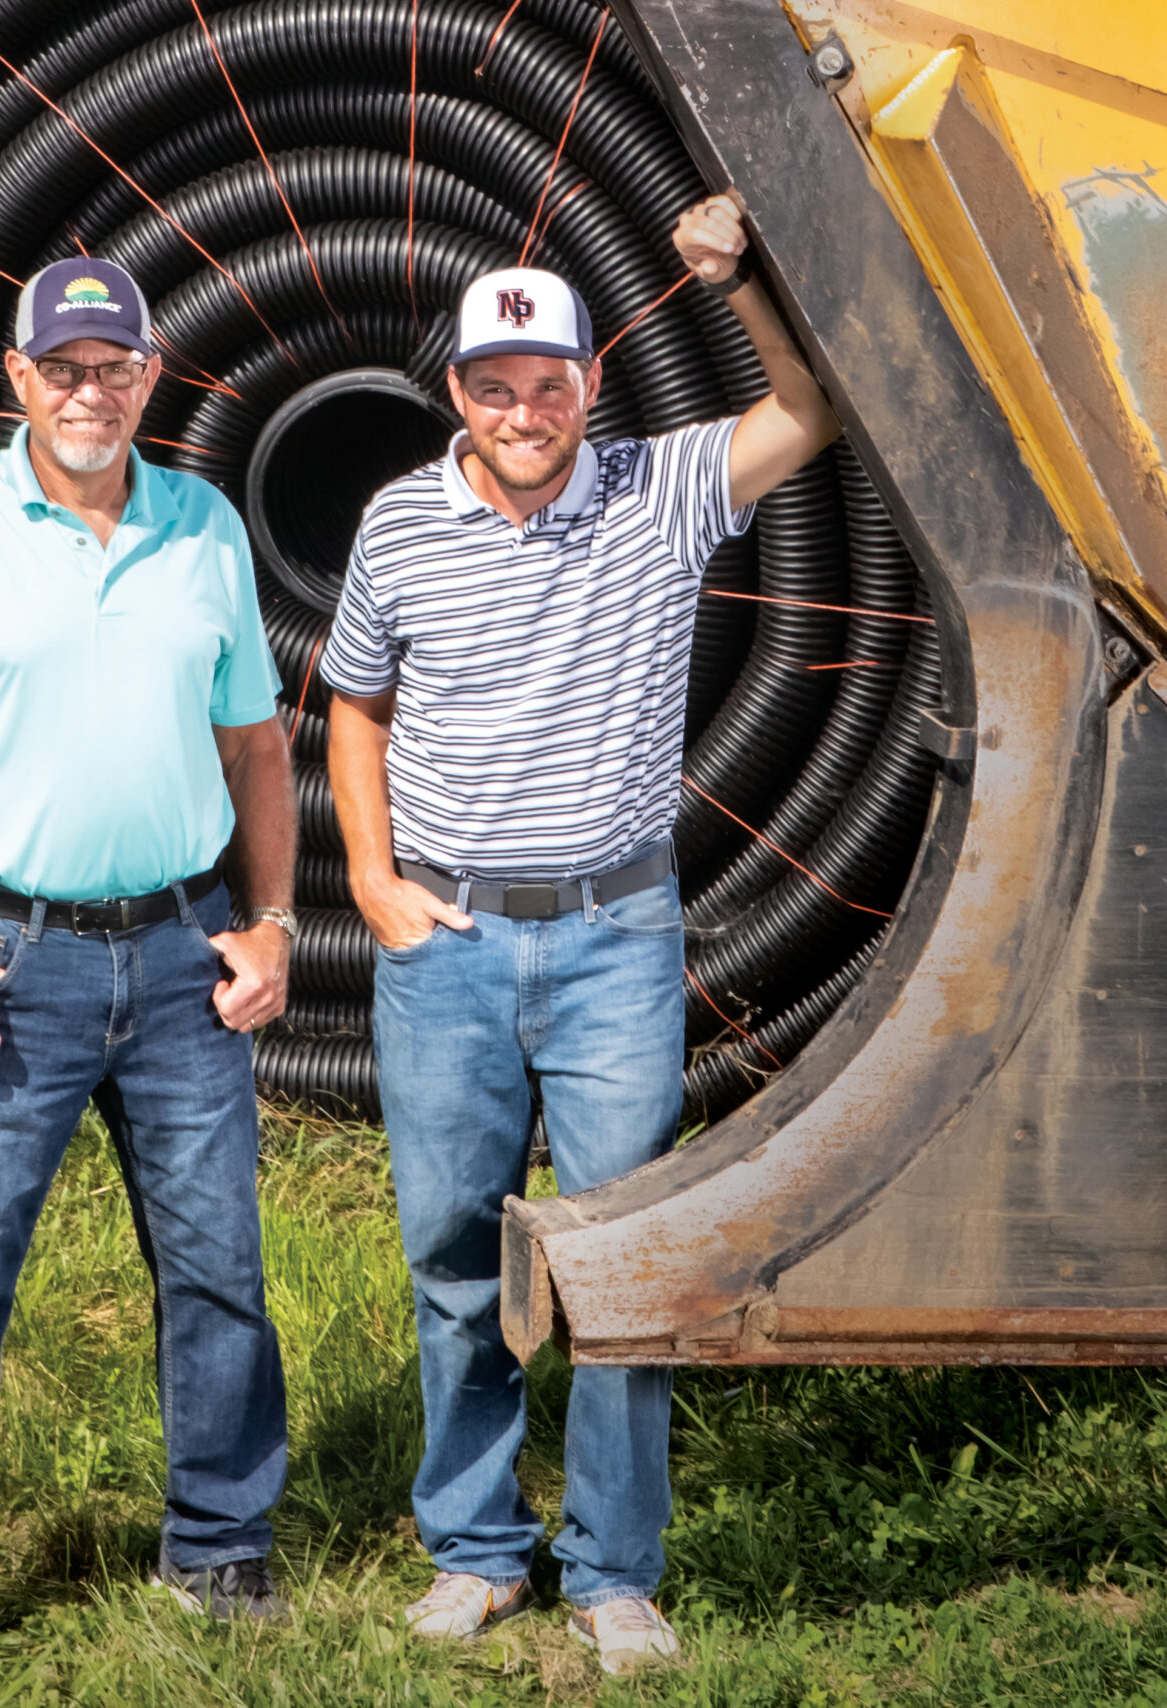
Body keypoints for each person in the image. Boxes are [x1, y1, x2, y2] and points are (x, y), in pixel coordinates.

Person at [322, 195, 841, 1676]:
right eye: (496, 387)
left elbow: (810, 411)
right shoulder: (398, 526)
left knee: (624, 1259)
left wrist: (739, 281)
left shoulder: (659, 492)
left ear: (589, 383)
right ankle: (477, 1551)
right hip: (451, 940)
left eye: (548, 383)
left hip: (615, 938)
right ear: (457, 393)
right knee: (453, 1254)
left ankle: (614, 1567)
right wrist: (370, 878)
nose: (524, 411)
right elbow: (355, 705)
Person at [0, 258, 302, 1677]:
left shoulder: (203, 525)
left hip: (179, 956)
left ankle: (220, 1545)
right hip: (6, 963)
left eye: (115, 367)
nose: (90, 392)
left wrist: (273, 923)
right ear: (19, 378)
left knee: (219, 1271)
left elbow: (255, 747)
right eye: (64, 368)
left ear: (151, 377)